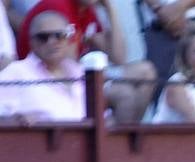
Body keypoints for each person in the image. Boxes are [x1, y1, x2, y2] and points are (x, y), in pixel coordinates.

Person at [16, 0, 155, 122]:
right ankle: (115, 147)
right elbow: (65, 64)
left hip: (77, 78)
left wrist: (110, 9)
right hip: (46, 80)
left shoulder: (88, 11)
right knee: (125, 94)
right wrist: (86, 42)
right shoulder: (58, 4)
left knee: (146, 71)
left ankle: (128, 143)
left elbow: (118, 57)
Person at [0, 11, 85, 122]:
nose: (52, 42)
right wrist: (13, 120)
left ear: (68, 39)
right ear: (31, 42)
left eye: (59, 35)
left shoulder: (81, 72)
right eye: (43, 37)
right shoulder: (16, 72)